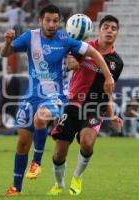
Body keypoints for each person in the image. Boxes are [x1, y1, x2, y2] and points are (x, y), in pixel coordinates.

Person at [0, 5, 114, 197]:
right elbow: (5, 53)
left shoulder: (65, 40)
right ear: (40, 21)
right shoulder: (30, 37)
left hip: (55, 96)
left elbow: (94, 53)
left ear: (59, 22)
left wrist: (108, 76)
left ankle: (36, 163)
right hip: (31, 96)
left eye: (55, 21)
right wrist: (7, 42)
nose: (52, 24)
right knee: (22, 143)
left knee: (41, 118)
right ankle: (16, 188)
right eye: (48, 20)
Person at [47, 15, 123, 196]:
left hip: (96, 106)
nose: (110, 31)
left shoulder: (117, 62)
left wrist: (111, 114)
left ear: (117, 33)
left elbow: (109, 89)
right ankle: (59, 184)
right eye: (106, 27)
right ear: (99, 30)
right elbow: (71, 60)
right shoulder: (84, 47)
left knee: (88, 143)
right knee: (59, 153)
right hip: (73, 103)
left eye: (113, 28)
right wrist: (71, 61)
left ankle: (77, 177)